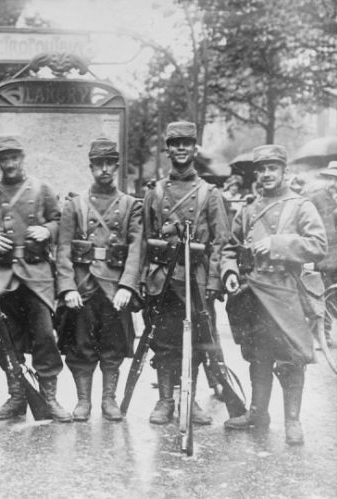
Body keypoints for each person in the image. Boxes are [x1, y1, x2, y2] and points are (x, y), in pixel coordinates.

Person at [222, 144, 327, 445]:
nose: (267, 174)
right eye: (262, 169)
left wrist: (278, 244)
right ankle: (258, 413)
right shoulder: (249, 209)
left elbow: (319, 245)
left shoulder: (300, 206)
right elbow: (230, 247)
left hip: (286, 293)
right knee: (258, 356)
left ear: (284, 171)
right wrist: (230, 272)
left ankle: (292, 420)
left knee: (292, 358)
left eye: (273, 168)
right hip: (253, 294)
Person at [140, 121, 230, 426]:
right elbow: (144, 238)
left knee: (197, 341)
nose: (180, 148)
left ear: (194, 149)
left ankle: (189, 399)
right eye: (174, 143)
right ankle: (166, 400)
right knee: (164, 342)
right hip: (163, 278)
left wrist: (215, 282)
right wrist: (143, 279)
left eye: (186, 143)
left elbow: (221, 241)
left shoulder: (210, 193)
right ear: (167, 149)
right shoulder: (155, 192)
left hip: (197, 278)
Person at [0, 134, 70, 422]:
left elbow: (60, 222)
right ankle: (17, 395)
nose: (10, 164)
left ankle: (49, 398)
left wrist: (48, 231)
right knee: (8, 339)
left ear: (22, 158)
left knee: (44, 336)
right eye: (4, 159)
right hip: (3, 274)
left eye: (14, 157)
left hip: (36, 274)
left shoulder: (42, 189)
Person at [55, 137, 143, 422]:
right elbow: (63, 250)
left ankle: (108, 399)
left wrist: (128, 285)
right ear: (91, 166)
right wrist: (67, 287)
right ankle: (83, 401)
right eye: (98, 164)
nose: (104, 169)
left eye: (109, 164)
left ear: (116, 167)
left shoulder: (131, 206)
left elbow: (136, 248)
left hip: (115, 287)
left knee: (113, 346)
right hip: (83, 285)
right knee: (80, 346)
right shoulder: (75, 205)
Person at [306, 160, 337, 348]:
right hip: (324, 256)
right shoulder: (317, 198)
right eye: (331, 179)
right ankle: (321, 334)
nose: (334, 184)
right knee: (322, 295)